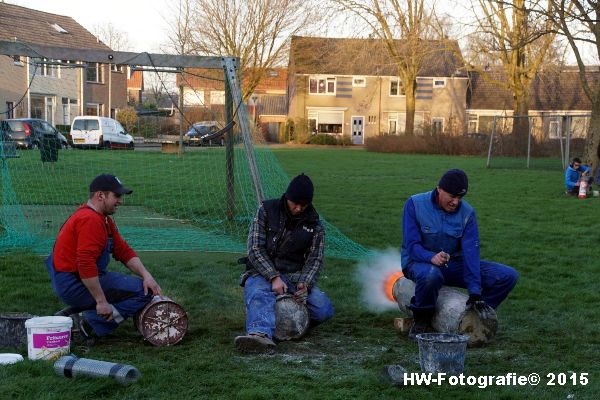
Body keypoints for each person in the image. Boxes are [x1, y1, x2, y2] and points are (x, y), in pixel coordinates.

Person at [400, 169, 519, 340]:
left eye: (460, 198)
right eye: (452, 196)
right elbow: (411, 245)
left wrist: (475, 292)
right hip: (418, 263)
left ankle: (475, 317)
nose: (456, 202)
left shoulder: (467, 213)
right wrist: (430, 257)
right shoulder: (414, 204)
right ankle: (421, 321)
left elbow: (471, 254)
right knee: (431, 275)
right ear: (439, 189)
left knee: (508, 276)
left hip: (452, 265)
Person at [45, 174, 162, 343]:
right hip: (73, 283)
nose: (120, 201)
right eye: (117, 196)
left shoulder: (103, 218)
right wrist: (101, 301)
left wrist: (146, 275)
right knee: (144, 293)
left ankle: (73, 314)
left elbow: (123, 250)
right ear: (100, 195)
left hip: (74, 279)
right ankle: (88, 323)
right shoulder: (90, 220)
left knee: (141, 285)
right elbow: (85, 263)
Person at [235, 173, 334, 353]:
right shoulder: (266, 210)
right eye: (295, 203)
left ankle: (286, 320)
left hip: (294, 275)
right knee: (259, 293)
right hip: (261, 272)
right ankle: (259, 335)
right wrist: (273, 277)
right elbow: (255, 249)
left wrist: (305, 284)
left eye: (303, 205)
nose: (298, 208)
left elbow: (315, 259)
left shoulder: (315, 224)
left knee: (323, 309)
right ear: (287, 197)